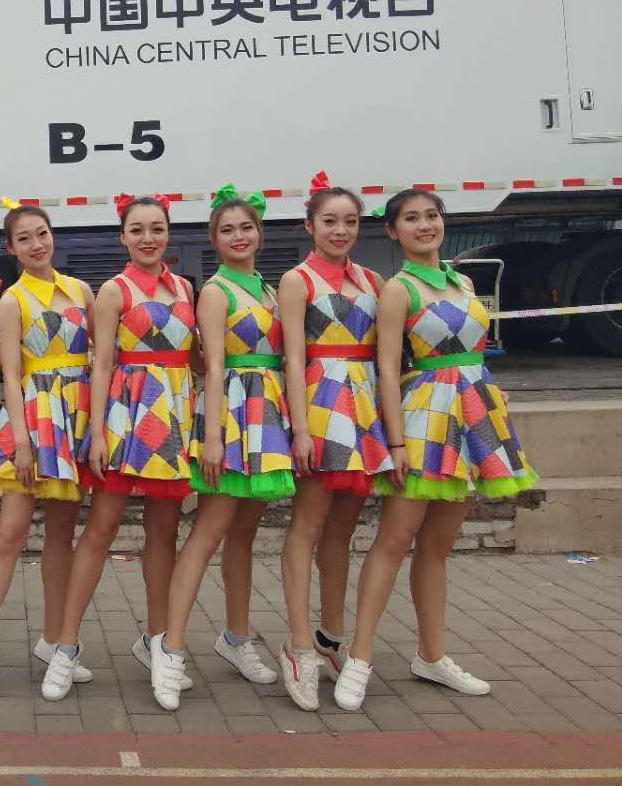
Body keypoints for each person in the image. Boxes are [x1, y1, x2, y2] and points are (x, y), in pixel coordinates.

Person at [335, 189, 538, 711]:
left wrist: (489, 391)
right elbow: (386, 369)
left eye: (432, 216)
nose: (424, 225)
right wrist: (395, 440)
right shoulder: (398, 289)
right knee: (393, 539)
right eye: (411, 218)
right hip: (424, 418)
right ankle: (359, 658)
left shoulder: (463, 281)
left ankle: (432, 655)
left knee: (438, 547)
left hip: (473, 416)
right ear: (393, 231)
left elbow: (474, 353)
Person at [152, 186, 295, 711]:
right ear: (213, 239)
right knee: (209, 531)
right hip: (231, 414)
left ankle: (236, 637)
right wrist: (212, 437)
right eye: (227, 230)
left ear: (260, 233)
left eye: (246, 228)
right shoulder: (214, 291)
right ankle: (170, 649)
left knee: (245, 533)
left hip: (266, 414)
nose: (239, 236)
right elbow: (212, 367)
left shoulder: (270, 289)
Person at [54, 194, 196, 702]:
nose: (148, 238)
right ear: (122, 237)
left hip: (172, 417)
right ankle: (65, 647)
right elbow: (101, 362)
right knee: (100, 528)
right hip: (126, 417)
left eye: (156, 228)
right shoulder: (113, 290)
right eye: (137, 230)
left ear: (169, 233)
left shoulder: (185, 287)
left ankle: (159, 643)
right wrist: (96, 431)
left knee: (164, 534)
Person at [0, 202, 93, 708]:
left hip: (75, 416)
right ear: (10, 248)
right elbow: (10, 373)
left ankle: (55, 641)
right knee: (9, 535)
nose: (37, 244)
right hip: (34, 417)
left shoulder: (81, 290)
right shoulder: (12, 299)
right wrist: (21, 439)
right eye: (25, 238)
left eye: (42, 233)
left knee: (61, 536)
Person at [275, 174, 391, 710]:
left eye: (350, 221)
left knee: (343, 529)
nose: (340, 230)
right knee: (307, 525)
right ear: (309, 226)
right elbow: (293, 356)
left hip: (363, 410)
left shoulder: (373, 280)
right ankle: (298, 645)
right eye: (329, 221)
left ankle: (330, 637)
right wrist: (300, 428)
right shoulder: (297, 280)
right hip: (321, 404)